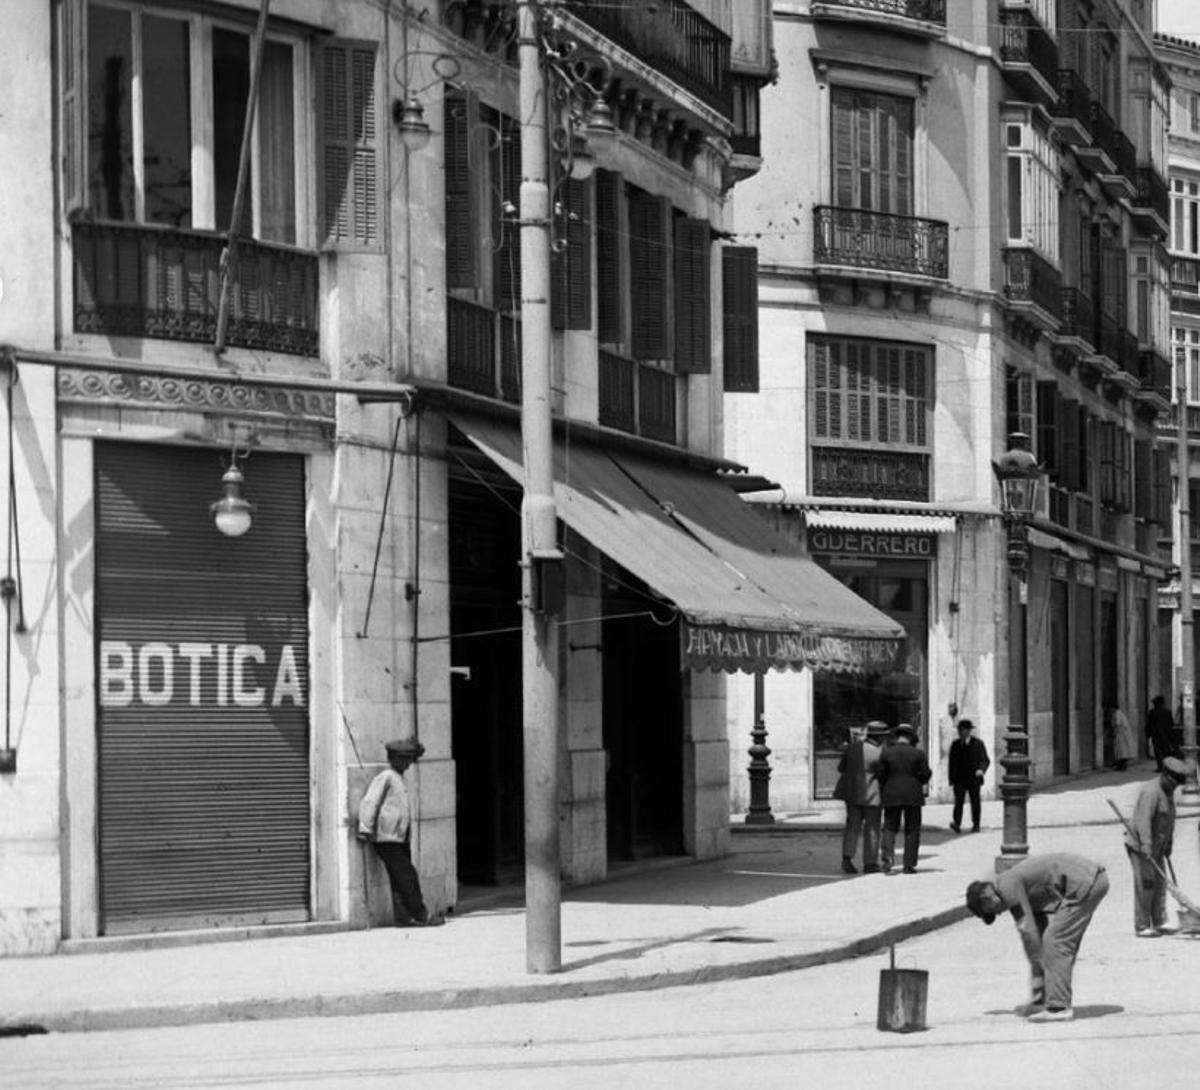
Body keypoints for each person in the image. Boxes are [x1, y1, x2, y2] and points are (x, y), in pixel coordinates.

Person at [965, 853, 1109, 1023]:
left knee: (1056, 942)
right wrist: (1038, 995)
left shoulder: (1007, 886)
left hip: (1085, 881)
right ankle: (1049, 1000)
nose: (999, 913)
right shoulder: (1014, 888)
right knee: (1054, 942)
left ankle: (1058, 1007)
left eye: (991, 911)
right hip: (1090, 879)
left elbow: (1028, 931)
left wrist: (1037, 965)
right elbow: (1037, 932)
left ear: (987, 897)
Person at [357, 738, 444, 927]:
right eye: (403, 759)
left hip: (398, 837)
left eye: (409, 759)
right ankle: (421, 914)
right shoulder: (386, 776)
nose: (407, 763)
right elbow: (370, 801)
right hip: (386, 837)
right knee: (407, 876)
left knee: (399, 878)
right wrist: (365, 827)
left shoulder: (398, 777)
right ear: (393, 759)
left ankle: (403, 917)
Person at [1124, 756, 1188, 937]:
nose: (1175, 788)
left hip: (1158, 845)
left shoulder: (1168, 792)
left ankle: (1160, 921)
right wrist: (1146, 845)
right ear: (1166, 776)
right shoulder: (1151, 792)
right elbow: (1143, 821)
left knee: (1160, 883)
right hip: (1141, 845)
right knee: (1146, 884)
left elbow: (1170, 820)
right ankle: (1142, 925)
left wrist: (1169, 844)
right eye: (1174, 784)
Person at [833, 720, 888, 874]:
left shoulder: (851, 748)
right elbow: (883, 774)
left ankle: (847, 858)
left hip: (851, 793)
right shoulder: (880, 752)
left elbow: (841, 768)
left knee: (852, 826)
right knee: (872, 828)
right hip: (872, 793)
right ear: (880, 737)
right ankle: (870, 863)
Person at [877, 723, 931, 874]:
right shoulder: (918, 754)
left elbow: (880, 774)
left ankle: (887, 858)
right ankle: (909, 864)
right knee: (912, 829)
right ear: (910, 737)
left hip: (892, 793)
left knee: (889, 827)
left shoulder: (887, 753)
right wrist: (917, 781)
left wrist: (888, 784)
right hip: (913, 793)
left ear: (897, 737)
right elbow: (926, 774)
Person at [947, 718, 989, 833]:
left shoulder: (978, 744)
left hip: (974, 778)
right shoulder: (955, 744)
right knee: (958, 801)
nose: (960, 732)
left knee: (975, 801)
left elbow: (985, 760)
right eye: (959, 730)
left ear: (968, 731)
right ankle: (957, 823)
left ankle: (976, 824)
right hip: (960, 778)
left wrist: (981, 770)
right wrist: (951, 779)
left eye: (963, 730)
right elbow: (952, 763)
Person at [1145, 695, 1177, 772]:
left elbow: (1149, 724)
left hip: (1156, 735)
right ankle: (1167, 767)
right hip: (1166, 735)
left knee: (1158, 752)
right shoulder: (1167, 712)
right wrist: (1172, 736)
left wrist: (1148, 733)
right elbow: (1171, 724)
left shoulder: (1152, 712)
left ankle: (1160, 767)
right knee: (1166, 751)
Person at [1106, 702, 1136, 772]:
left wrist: (1113, 732)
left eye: (1110, 708)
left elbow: (1117, 724)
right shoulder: (1118, 713)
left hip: (1121, 734)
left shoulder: (1118, 714)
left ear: (1113, 708)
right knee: (1121, 751)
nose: (1109, 710)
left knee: (1122, 751)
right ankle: (1120, 766)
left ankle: (1122, 766)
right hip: (1121, 734)